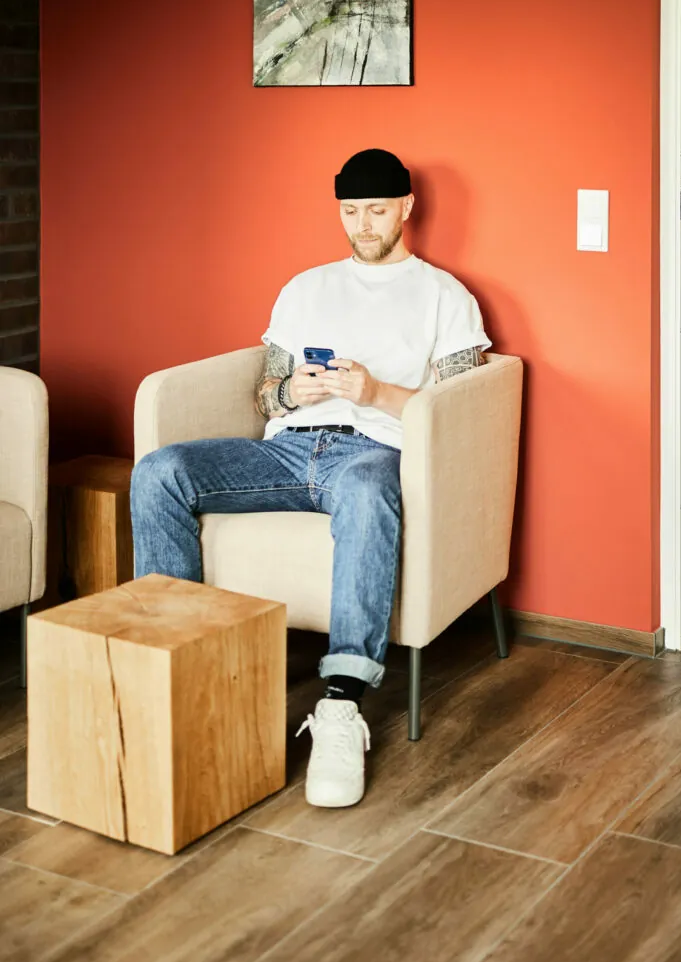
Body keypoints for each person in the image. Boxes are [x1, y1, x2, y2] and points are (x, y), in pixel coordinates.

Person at [130, 148, 491, 809]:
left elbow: (457, 416)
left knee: (362, 489)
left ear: (408, 208)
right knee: (161, 471)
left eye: (377, 211)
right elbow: (265, 396)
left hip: (372, 455)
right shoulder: (304, 288)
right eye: (351, 212)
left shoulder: (445, 297)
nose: (363, 226)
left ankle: (340, 706)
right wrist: (291, 392)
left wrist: (377, 392)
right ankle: (174, 663)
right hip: (288, 451)